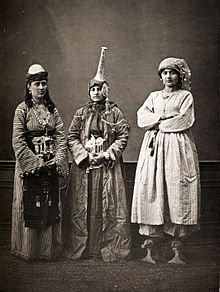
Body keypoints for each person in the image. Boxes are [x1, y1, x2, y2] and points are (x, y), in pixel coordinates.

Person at [63, 47, 131, 262]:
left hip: (108, 168)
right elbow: (72, 136)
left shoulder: (115, 112)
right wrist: (84, 155)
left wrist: (108, 154)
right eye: (92, 89)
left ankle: (108, 248)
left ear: (106, 91)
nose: (95, 92)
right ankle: (83, 248)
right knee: (83, 206)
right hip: (85, 168)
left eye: (99, 89)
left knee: (108, 207)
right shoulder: (81, 113)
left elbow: (123, 135)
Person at [131, 57, 200, 264]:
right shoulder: (153, 97)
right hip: (153, 147)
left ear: (179, 75)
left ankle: (177, 250)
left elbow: (184, 119)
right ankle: (151, 249)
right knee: (153, 187)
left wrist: (159, 123)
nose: (168, 77)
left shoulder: (185, 96)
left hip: (177, 146)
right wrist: (160, 120)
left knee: (176, 188)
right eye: (165, 73)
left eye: (172, 73)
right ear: (160, 76)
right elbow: (141, 117)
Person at [11, 64, 69, 260]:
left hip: (50, 164)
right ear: (29, 86)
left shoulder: (52, 110)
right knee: (29, 203)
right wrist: (35, 161)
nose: (41, 88)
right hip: (29, 167)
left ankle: (47, 250)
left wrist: (58, 158)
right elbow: (17, 140)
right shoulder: (22, 110)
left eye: (44, 83)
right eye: (37, 84)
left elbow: (61, 136)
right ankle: (28, 249)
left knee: (49, 203)